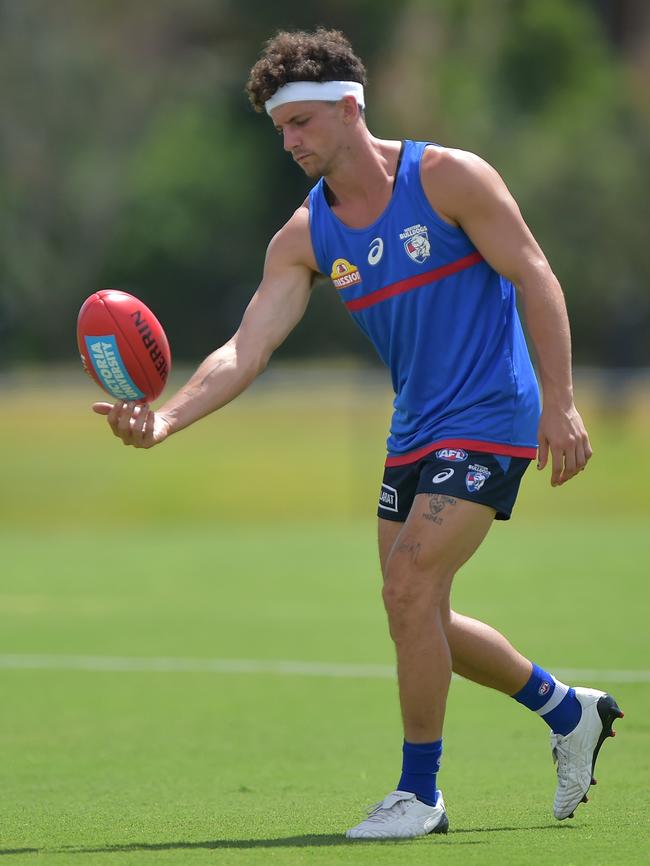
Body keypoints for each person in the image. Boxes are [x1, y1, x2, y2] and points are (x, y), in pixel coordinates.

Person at [93, 28, 623, 840]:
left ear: (348, 109)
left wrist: (562, 400)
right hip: (414, 428)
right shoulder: (304, 237)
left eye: (301, 123)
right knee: (418, 612)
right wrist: (164, 420)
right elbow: (246, 348)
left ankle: (421, 795)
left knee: (409, 587)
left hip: (493, 410)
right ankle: (566, 710)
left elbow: (533, 272)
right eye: (280, 130)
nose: (290, 141)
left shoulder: (448, 177)